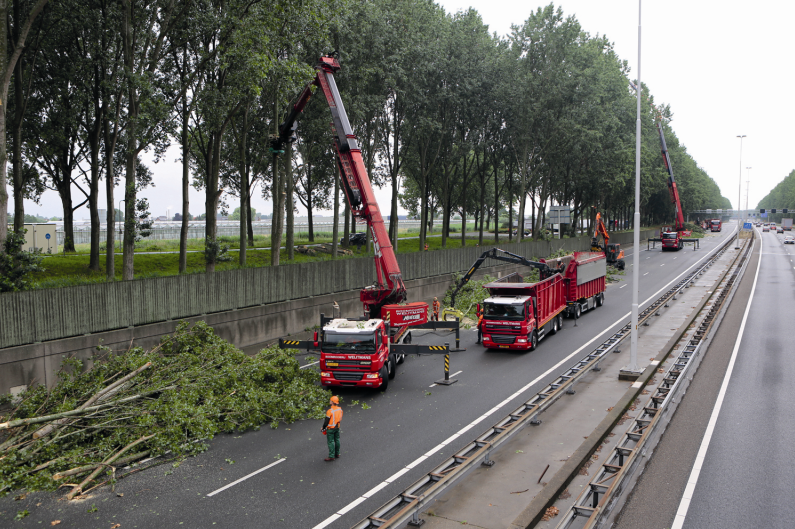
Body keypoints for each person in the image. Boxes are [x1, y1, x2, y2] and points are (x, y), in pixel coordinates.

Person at [322, 396, 343, 461]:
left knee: (330, 442)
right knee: (337, 440)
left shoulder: (330, 411)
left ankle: (331, 456)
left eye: (330, 400)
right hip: (337, 427)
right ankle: (337, 453)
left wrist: (323, 428)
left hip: (330, 429)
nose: (329, 401)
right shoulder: (340, 410)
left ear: (332, 402)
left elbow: (326, 421)